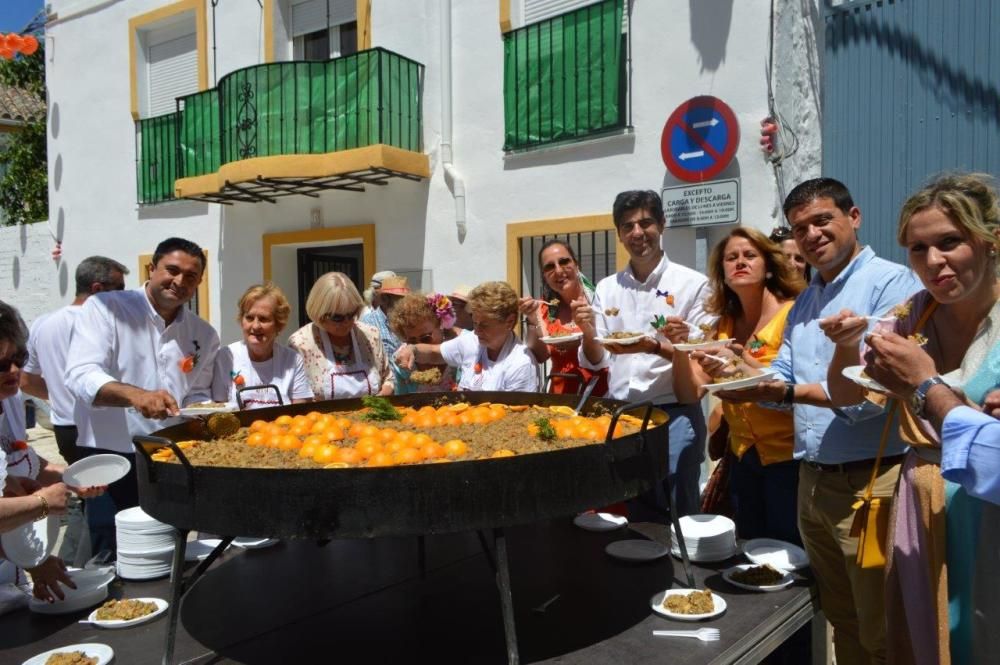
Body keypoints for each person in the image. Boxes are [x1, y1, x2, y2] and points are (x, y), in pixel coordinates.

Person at [706, 178, 920, 665]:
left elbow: (873, 395)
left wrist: (779, 389)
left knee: (881, 626)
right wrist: (738, 372)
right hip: (813, 480)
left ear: (854, 217)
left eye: (822, 220)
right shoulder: (808, 297)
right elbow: (782, 373)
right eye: (801, 228)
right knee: (838, 618)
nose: (812, 235)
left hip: (871, 479)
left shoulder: (891, 283)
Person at [822, 173, 1000, 665]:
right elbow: (846, 393)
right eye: (918, 249)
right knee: (922, 634)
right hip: (920, 494)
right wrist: (843, 348)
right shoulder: (911, 316)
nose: (933, 262)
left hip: (987, 504)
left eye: (949, 242)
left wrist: (924, 382)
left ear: (989, 241)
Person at [65, 238, 219, 554]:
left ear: (199, 282)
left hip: (167, 454)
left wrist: (201, 411)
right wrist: (136, 396)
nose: (179, 282)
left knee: (169, 543)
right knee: (110, 548)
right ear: (152, 268)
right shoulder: (107, 307)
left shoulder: (204, 334)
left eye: (190, 276)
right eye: (172, 270)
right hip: (109, 454)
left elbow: (198, 391)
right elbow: (80, 375)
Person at [572, 190, 715, 518]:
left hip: (674, 413)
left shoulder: (693, 284)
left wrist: (658, 346)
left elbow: (700, 356)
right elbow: (597, 359)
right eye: (628, 226)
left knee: (680, 514)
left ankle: (682, 569)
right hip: (625, 416)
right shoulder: (608, 288)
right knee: (636, 513)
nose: (638, 233)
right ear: (619, 235)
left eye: (645, 223)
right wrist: (588, 332)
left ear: (662, 225)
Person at [671, 228, 805, 544]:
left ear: (769, 266)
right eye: (731, 258)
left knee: (790, 550)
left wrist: (742, 360)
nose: (740, 262)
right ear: (723, 274)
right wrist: (678, 349)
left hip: (789, 458)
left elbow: (799, 385)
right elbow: (688, 393)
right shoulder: (722, 325)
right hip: (743, 457)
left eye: (749, 255)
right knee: (751, 547)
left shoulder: (794, 313)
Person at [19, 256, 128, 565]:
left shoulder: (44, 323)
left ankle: (74, 564)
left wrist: (59, 397)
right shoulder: (104, 323)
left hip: (65, 428)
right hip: (99, 431)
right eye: (119, 288)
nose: (124, 296)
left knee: (88, 499)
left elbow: (26, 380)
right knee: (106, 504)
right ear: (98, 288)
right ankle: (98, 565)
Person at [0, 300, 104, 602]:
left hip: (12, 582)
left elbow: (23, 463)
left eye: (19, 358)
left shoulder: (11, 401)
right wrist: (41, 504)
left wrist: (69, 478)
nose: (15, 370)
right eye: (1, 364)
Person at [395, 281, 538, 392]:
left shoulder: (520, 364)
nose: (476, 331)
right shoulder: (471, 342)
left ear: (510, 322)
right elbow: (433, 353)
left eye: (484, 325)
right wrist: (412, 349)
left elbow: (515, 417)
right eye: (475, 323)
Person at [518, 240, 609, 396]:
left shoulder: (600, 302)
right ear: (544, 276)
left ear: (576, 264)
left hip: (599, 395)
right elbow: (540, 356)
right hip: (560, 399)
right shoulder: (545, 308)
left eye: (564, 261)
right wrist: (532, 319)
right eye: (549, 267)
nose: (558, 271)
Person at [289, 272, 395, 399]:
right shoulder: (301, 344)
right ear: (319, 313)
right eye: (337, 317)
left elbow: (388, 378)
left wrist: (386, 390)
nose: (346, 323)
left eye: (351, 315)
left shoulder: (370, 336)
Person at [212, 284, 313, 409]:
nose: (255, 326)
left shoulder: (292, 360)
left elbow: (299, 412)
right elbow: (218, 410)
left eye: (263, 319)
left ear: (278, 324)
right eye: (249, 318)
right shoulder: (226, 357)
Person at [389, 292, 461, 393]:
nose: (419, 345)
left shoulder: (458, 349)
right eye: (412, 341)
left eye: (425, 338)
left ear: (440, 324)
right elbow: (402, 399)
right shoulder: (401, 359)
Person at [360, 274, 409, 380]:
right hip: (384, 388)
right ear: (385, 298)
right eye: (400, 299)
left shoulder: (409, 321)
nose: (405, 304)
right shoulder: (368, 323)